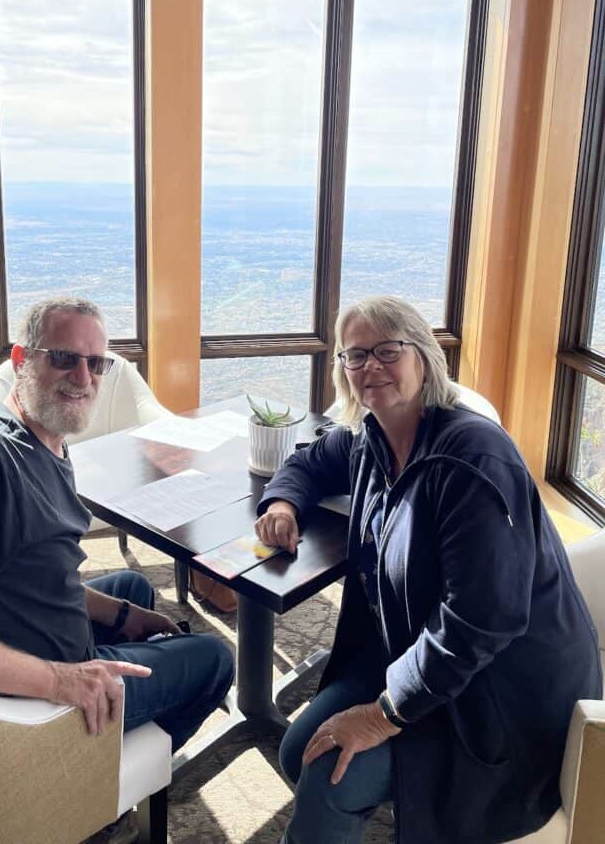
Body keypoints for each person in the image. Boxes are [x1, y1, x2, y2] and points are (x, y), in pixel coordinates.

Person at [0, 297, 234, 842]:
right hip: (38, 698)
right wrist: (60, 680)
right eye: (64, 358)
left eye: (98, 363)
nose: (84, 377)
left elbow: (30, 573)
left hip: (11, 624)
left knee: (135, 588)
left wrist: (123, 614)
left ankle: (106, 749)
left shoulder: (43, 441)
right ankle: (93, 795)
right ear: (23, 360)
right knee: (215, 657)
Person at [255, 296, 601, 844]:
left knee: (329, 775)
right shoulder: (373, 438)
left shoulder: (472, 459)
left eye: (389, 350)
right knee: (300, 749)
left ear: (424, 358)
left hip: (497, 696)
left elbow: (482, 620)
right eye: (356, 355)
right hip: (418, 660)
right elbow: (308, 461)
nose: (371, 366)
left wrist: (382, 715)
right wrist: (282, 504)